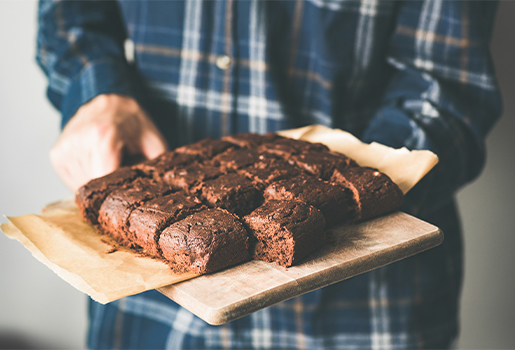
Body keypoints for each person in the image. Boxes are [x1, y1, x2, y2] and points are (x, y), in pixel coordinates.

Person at [36, 1, 501, 349]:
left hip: (363, 310)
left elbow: (446, 84)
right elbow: (70, 21)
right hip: (150, 308)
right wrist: (96, 93)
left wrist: (347, 193)